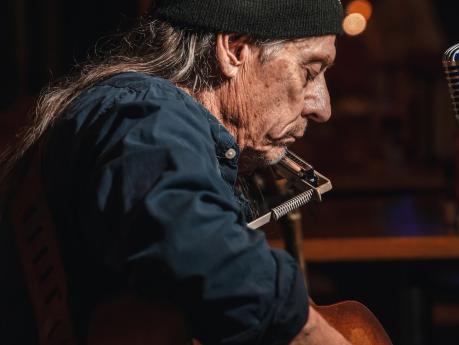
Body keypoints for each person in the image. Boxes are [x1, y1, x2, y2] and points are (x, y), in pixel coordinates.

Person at [0, 1, 352, 345]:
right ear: (235, 50)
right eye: (310, 71)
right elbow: (198, 247)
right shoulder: (146, 115)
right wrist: (306, 328)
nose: (323, 107)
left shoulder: (145, 115)